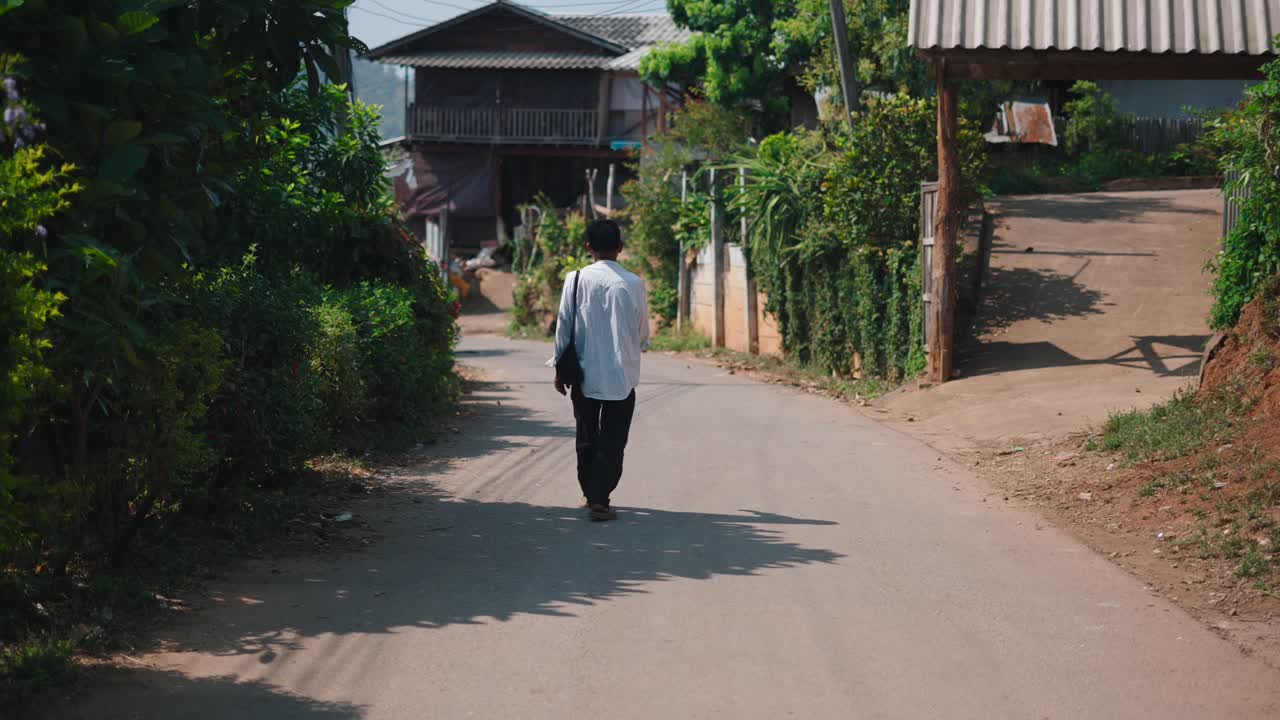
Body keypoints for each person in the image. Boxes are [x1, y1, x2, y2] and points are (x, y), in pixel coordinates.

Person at [547, 219, 649, 522]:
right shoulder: (633, 283)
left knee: (587, 436)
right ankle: (599, 496)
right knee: (614, 440)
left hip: (583, 373)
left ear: (588, 248)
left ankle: (593, 493)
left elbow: (563, 327)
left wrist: (558, 368)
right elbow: (642, 330)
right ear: (620, 247)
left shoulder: (575, 279)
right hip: (622, 374)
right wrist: (637, 342)